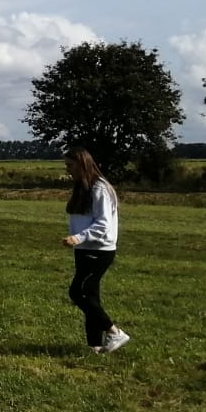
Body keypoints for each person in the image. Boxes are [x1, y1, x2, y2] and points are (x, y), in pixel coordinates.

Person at [63, 147, 129, 354]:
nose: (68, 170)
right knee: (91, 296)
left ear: (82, 164)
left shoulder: (99, 188)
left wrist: (78, 237)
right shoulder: (83, 187)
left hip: (99, 249)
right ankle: (95, 345)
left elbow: (103, 224)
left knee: (78, 291)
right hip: (84, 249)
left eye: (70, 165)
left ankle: (114, 332)